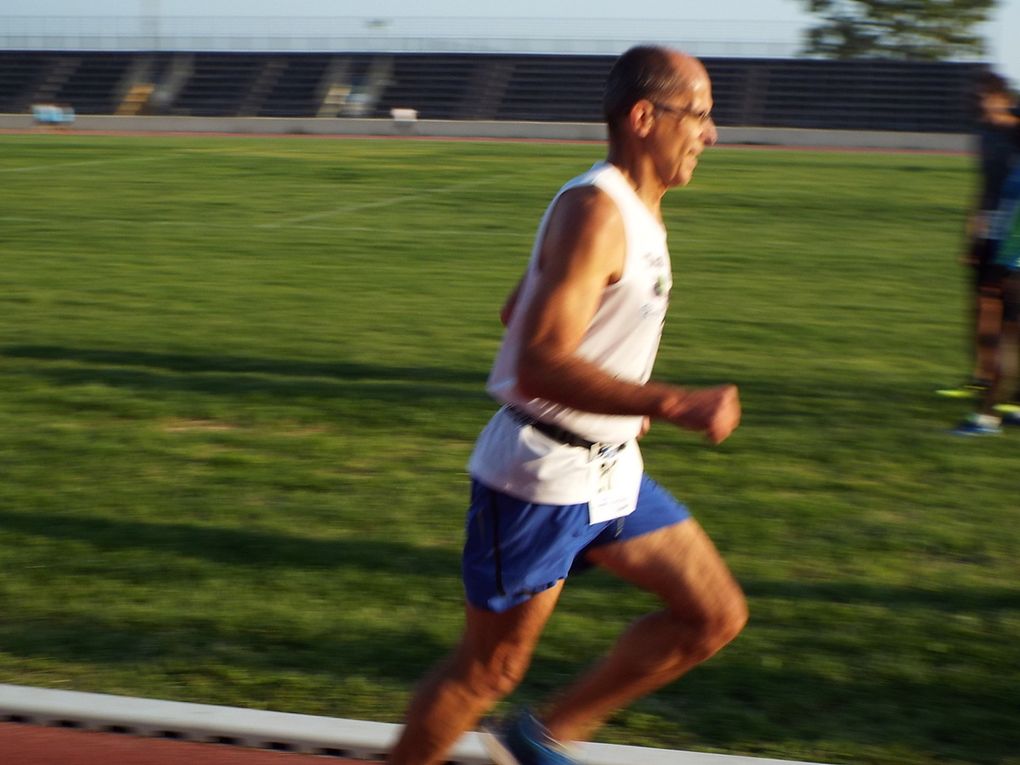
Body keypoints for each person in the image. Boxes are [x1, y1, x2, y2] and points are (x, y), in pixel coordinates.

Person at [387, 46, 747, 765]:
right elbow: (538, 357)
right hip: (541, 476)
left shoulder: (629, 210)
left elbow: (515, 311)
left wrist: (615, 392)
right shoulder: (597, 210)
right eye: (700, 115)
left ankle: (540, 737)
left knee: (712, 614)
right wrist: (672, 400)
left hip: (611, 470)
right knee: (487, 668)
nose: (711, 134)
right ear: (645, 117)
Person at [938, 71, 1020, 400]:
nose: (972, 101)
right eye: (970, 96)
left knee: (1012, 311)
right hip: (992, 226)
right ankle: (982, 377)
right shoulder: (983, 133)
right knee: (982, 304)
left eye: (978, 95)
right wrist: (972, 232)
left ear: (1000, 96)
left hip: (1016, 228)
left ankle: (1010, 396)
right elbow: (983, 187)